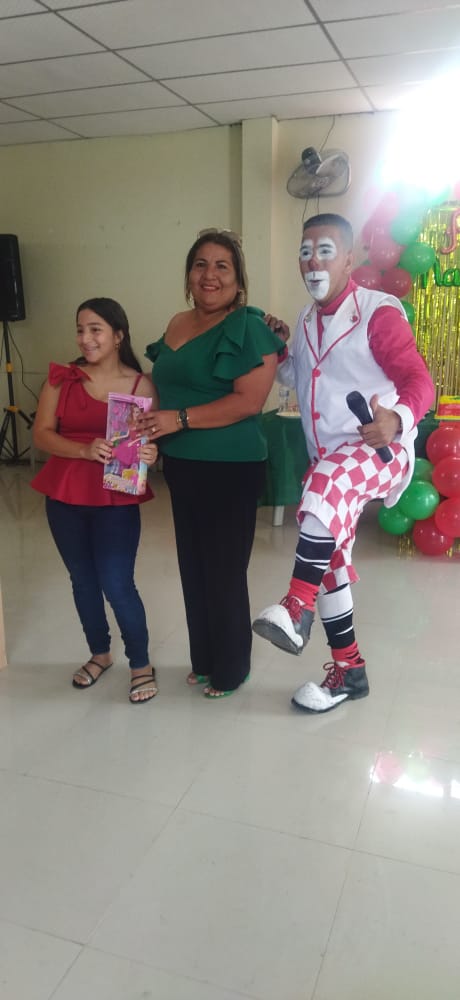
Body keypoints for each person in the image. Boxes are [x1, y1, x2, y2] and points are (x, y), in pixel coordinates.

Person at [252, 213, 435, 713]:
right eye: (305, 252)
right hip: (329, 462)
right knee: (328, 558)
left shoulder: (378, 313)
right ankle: (349, 671)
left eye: (326, 251)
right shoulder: (306, 320)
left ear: (349, 260)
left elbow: (420, 382)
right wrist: (280, 347)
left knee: (324, 487)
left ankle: (296, 606)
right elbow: (298, 375)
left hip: (380, 450)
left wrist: (396, 419)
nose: (313, 262)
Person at [141, 229, 284, 698]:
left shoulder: (250, 327)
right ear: (188, 275)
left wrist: (178, 419)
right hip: (182, 464)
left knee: (223, 571)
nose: (210, 274)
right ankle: (204, 659)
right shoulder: (177, 323)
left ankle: (231, 668)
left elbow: (248, 402)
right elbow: (162, 382)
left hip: (231, 466)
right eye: (200, 264)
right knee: (194, 566)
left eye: (222, 266)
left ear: (238, 280)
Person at [31, 297, 159, 704]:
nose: (85, 338)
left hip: (116, 497)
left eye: (95, 329)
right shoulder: (61, 379)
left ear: (118, 336)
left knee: (117, 582)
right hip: (65, 493)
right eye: (80, 330)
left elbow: (147, 445)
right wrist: (84, 450)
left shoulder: (140, 386)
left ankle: (140, 664)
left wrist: (150, 454)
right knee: (82, 579)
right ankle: (100, 654)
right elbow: (41, 435)